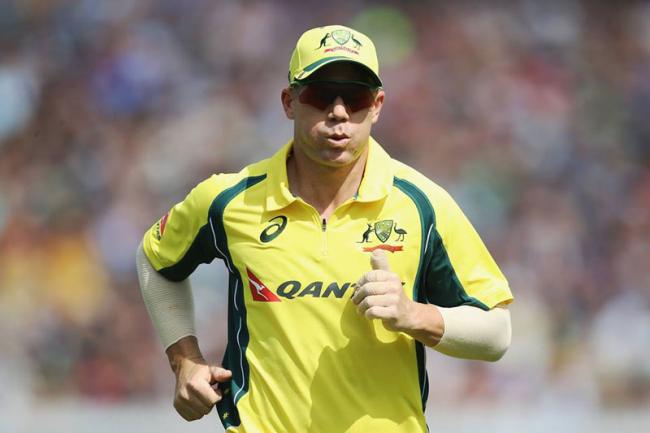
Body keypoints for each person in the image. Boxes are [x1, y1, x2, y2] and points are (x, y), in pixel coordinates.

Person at [136, 24, 513, 433]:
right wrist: (184, 359)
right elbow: (155, 259)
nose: (339, 112)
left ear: (377, 105)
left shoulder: (422, 204)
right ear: (289, 102)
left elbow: (496, 333)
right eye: (320, 95)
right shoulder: (229, 200)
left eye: (356, 97)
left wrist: (412, 314)